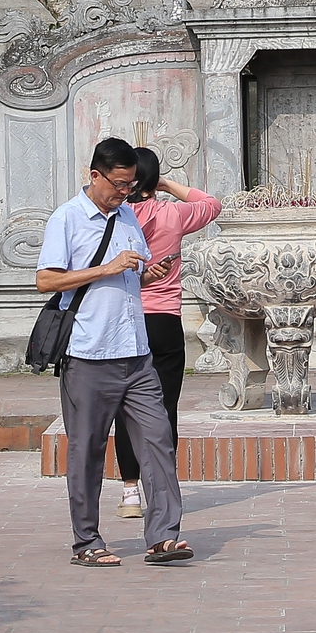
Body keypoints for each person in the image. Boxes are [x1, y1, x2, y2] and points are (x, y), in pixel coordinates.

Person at [37, 136, 189, 566]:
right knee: (86, 450)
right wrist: (106, 268)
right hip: (88, 354)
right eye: (119, 184)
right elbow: (46, 280)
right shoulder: (67, 218)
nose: (125, 192)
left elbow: (130, 276)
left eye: (131, 184)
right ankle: (87, 542)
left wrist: (149, 274)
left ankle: (164, 536)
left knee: (158, 441)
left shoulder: (127, 216)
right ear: (95, 175)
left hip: (137, 354)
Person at [112, 146, 220, 521]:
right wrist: (168, 185)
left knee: (126, 408)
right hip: (165, 320)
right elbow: (211, 204)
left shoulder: (119, 218)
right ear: (153, 179)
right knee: (164, 407)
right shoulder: (171, 214)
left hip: (127, 318)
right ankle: (162, 487)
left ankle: (129, 492)